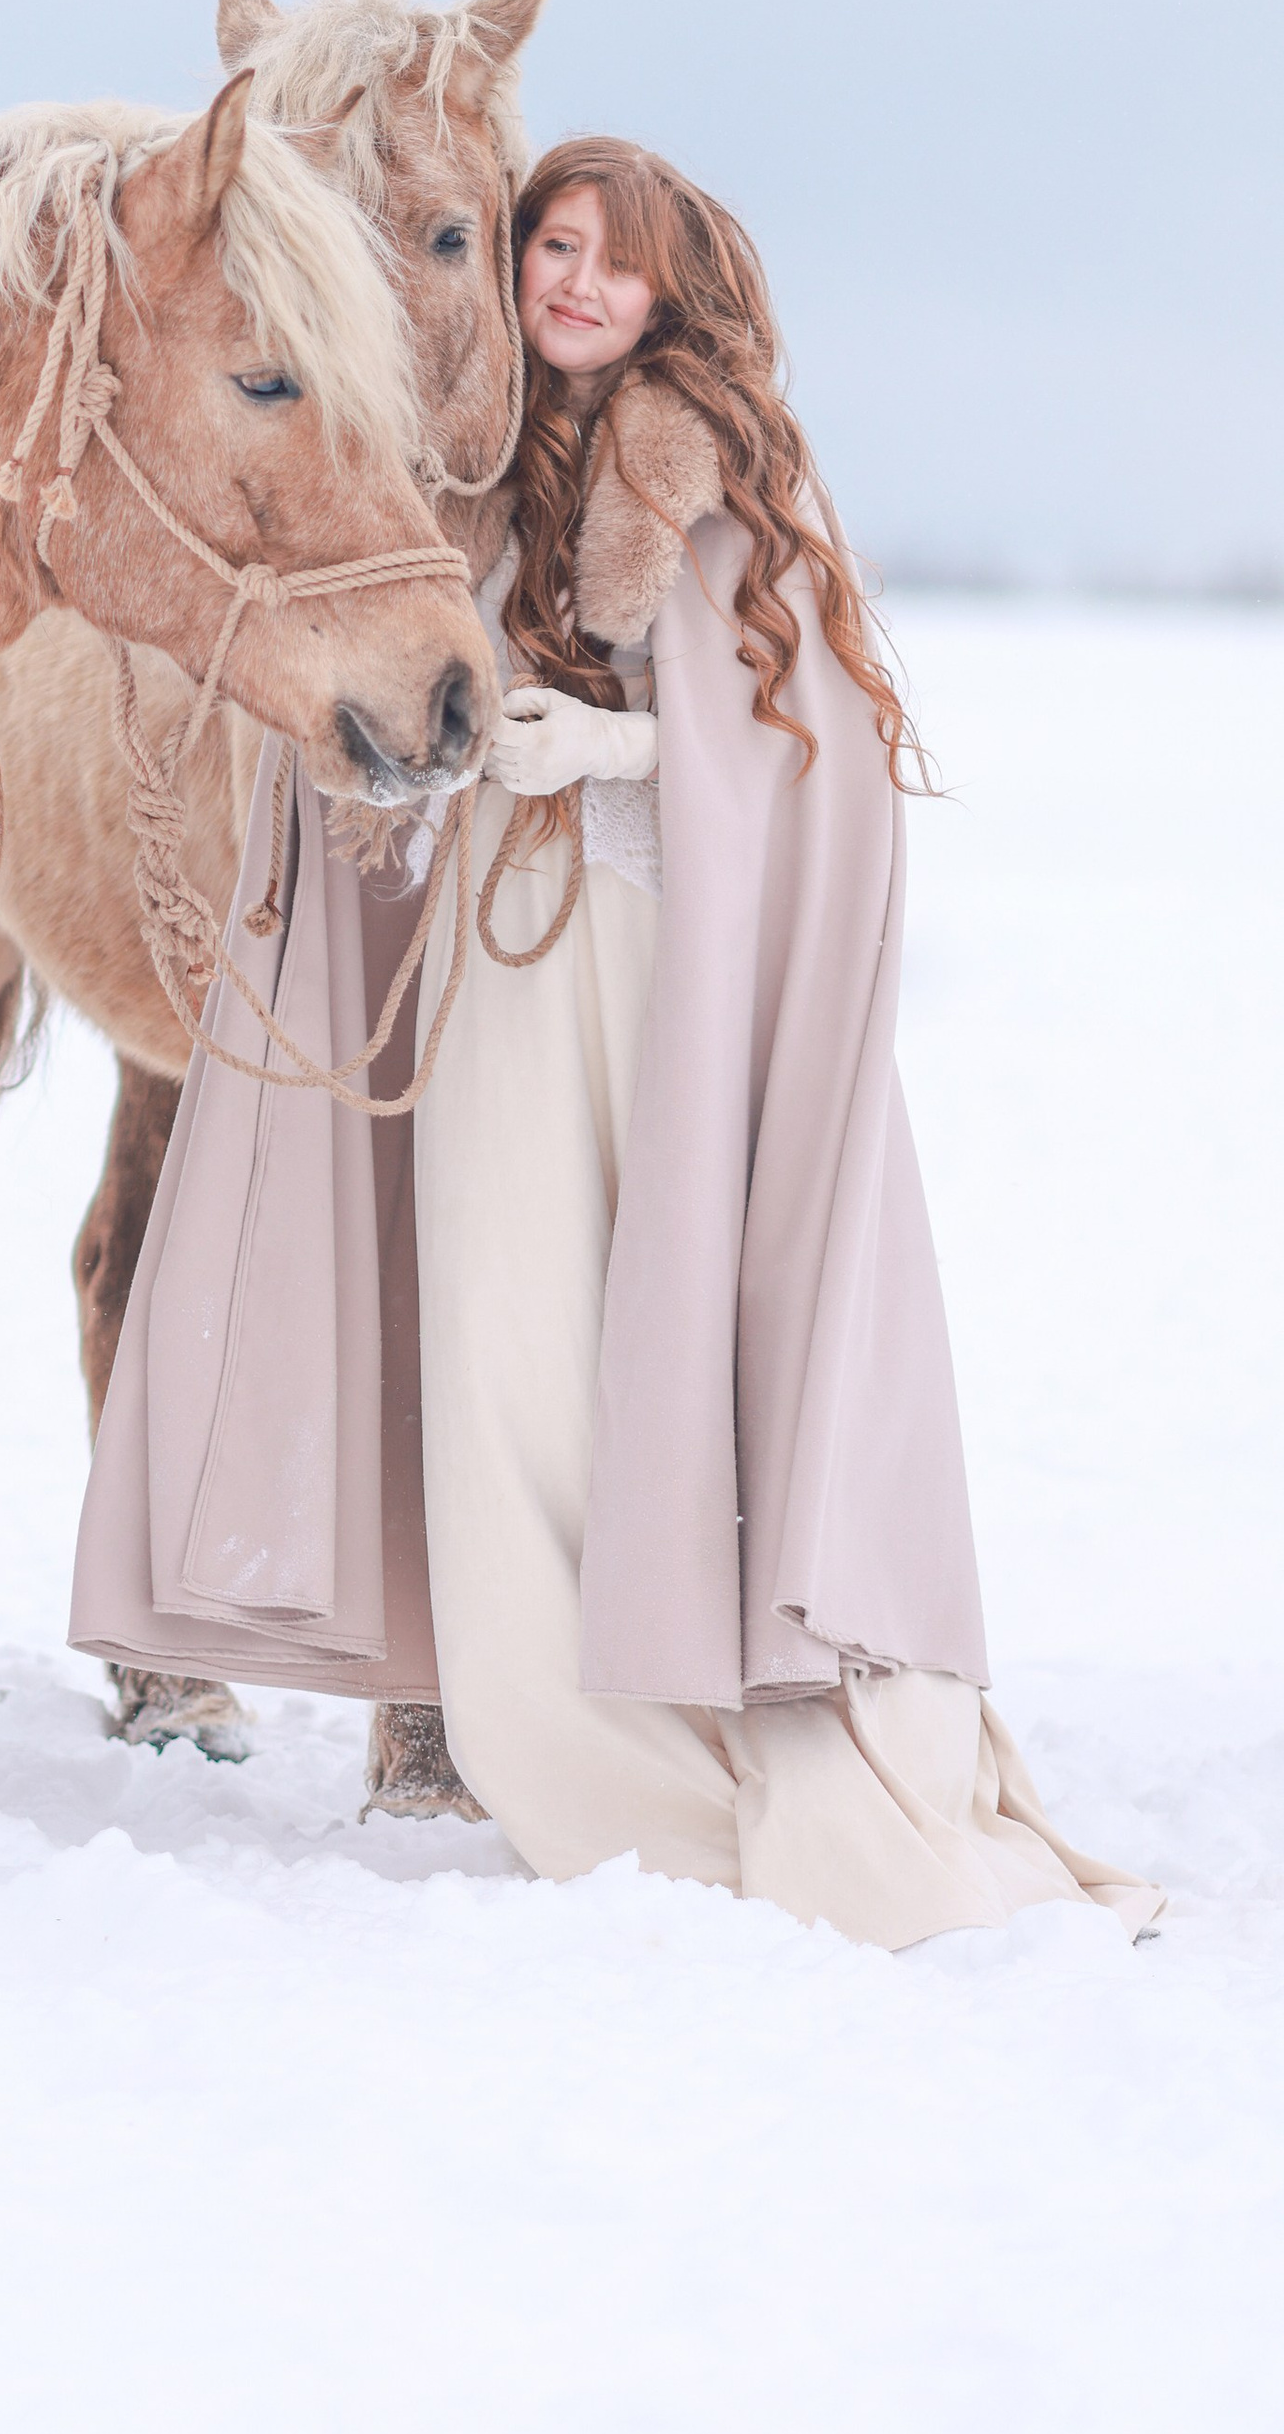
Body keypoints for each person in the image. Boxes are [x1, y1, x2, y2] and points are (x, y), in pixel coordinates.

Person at [72, 136, 1160, 1950]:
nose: (572, 281)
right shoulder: (467, 485)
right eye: (548, 246)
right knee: (499, 1355)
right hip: (505, 985)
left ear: (668, 286)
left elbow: (799, 747)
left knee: (664, 1339)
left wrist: (627, 752)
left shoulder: (717, 466)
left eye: (609, 257)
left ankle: (730, 1729)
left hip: (670, 984)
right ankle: (555, 1733)